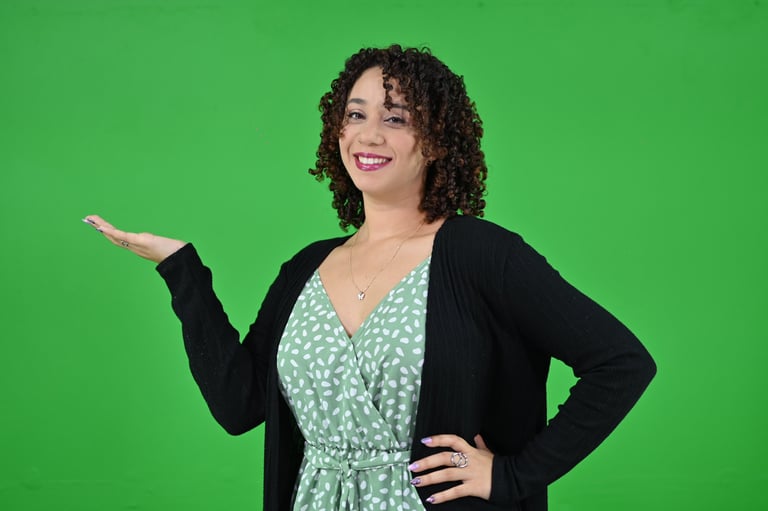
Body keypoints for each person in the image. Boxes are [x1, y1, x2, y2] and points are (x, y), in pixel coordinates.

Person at [83, 45, 655, 511]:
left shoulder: (480, 254)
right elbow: (239, 406)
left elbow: (621, 362)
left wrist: (511, 477)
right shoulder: (306, 268)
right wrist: (180, 268)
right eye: (355, 115)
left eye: (395, 118)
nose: (369, 134)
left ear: (436, 141)